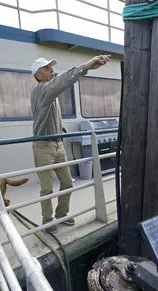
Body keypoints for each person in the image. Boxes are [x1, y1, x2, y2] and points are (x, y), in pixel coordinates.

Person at [31, 55, 111, 232]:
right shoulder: (41, 89)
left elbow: (47, 113)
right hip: (43, 146)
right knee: (46, 188)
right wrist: (87, 65)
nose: (51, 71)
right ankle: (47, 221)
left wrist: (59, 127)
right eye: (47, 68)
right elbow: (62, 82)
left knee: (67, 182)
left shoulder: (48, 91)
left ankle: (61, 214)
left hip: (58, 144)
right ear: (38, 74)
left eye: (51, 67)